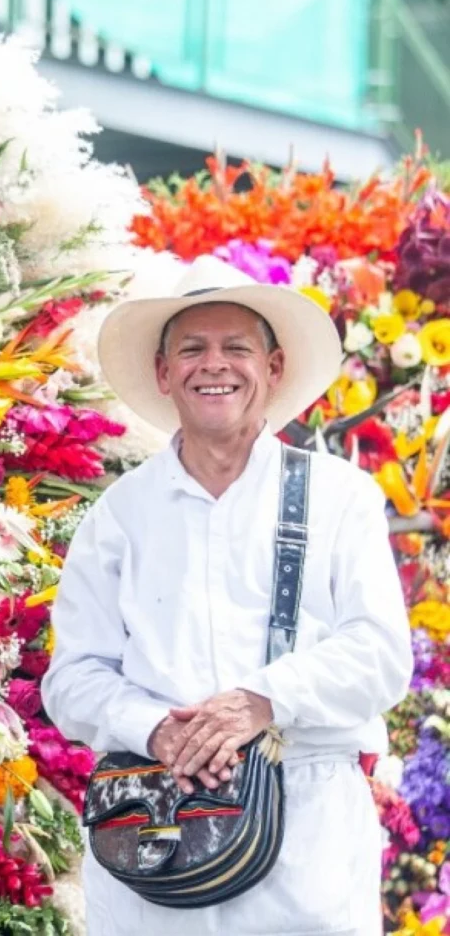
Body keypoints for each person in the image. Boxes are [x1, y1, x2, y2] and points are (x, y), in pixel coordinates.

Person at [42, 256, 413, 936]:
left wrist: (261, 701)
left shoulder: (340, 497)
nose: (214, 365)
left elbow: (381, 654)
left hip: (307, 845)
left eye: (236, 347)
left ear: (272, 370)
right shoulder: (119, 515)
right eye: (192, 349)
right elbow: (73, 679)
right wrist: (156, 728)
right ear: (163, 373)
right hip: (154, 840)